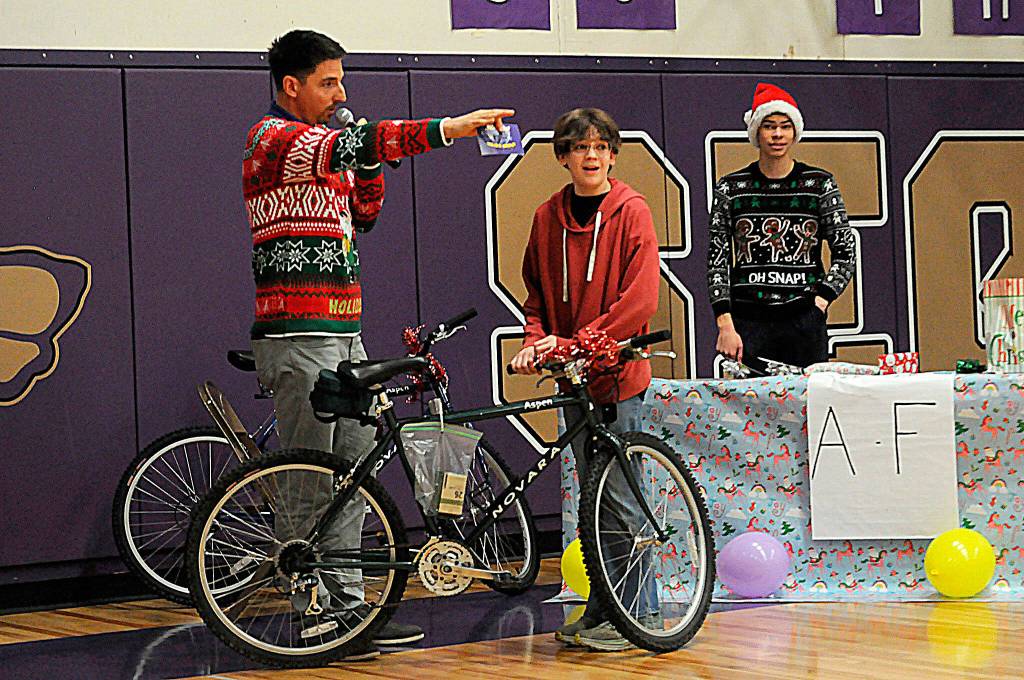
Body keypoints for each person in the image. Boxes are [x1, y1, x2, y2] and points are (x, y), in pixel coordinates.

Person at [244, 29, 513, 660]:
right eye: (328, 82)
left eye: (342, 80)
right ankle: (315, 611)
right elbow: (362, 141)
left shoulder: (327, 154)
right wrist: (452, 127)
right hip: (297, 333)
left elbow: (364, 213)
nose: (341, 92)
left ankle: (350, 609)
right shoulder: (271, 139)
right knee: (312, 474)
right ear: (292, 86)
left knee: (354, 469)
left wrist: (365, 161)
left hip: (344, 332)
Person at [509, 108, 661, 652]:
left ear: (613, 155)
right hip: (571, 380)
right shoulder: (546, 216)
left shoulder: (632, 212)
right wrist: (535, 340)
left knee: (621, 498)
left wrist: (579, 342)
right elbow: (535, 296)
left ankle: (639, 615)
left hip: (618, 375)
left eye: (600, 146)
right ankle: (603, 607)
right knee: (592, 501)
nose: (591, 155)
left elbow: (640, 300)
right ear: (564, 157)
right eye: (579, 147)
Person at [708, 82, 856, 370]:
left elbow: (845, 250)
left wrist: (822, 300)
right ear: (756, 132)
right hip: (748, 321)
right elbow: (717, 259)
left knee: (806, 409)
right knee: (751, 410)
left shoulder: (819, 184)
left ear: (795, 132)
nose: (777, 134)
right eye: (769, 126)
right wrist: (725, 323)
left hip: (804, 319)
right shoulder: (731, 188)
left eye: (785, 126)